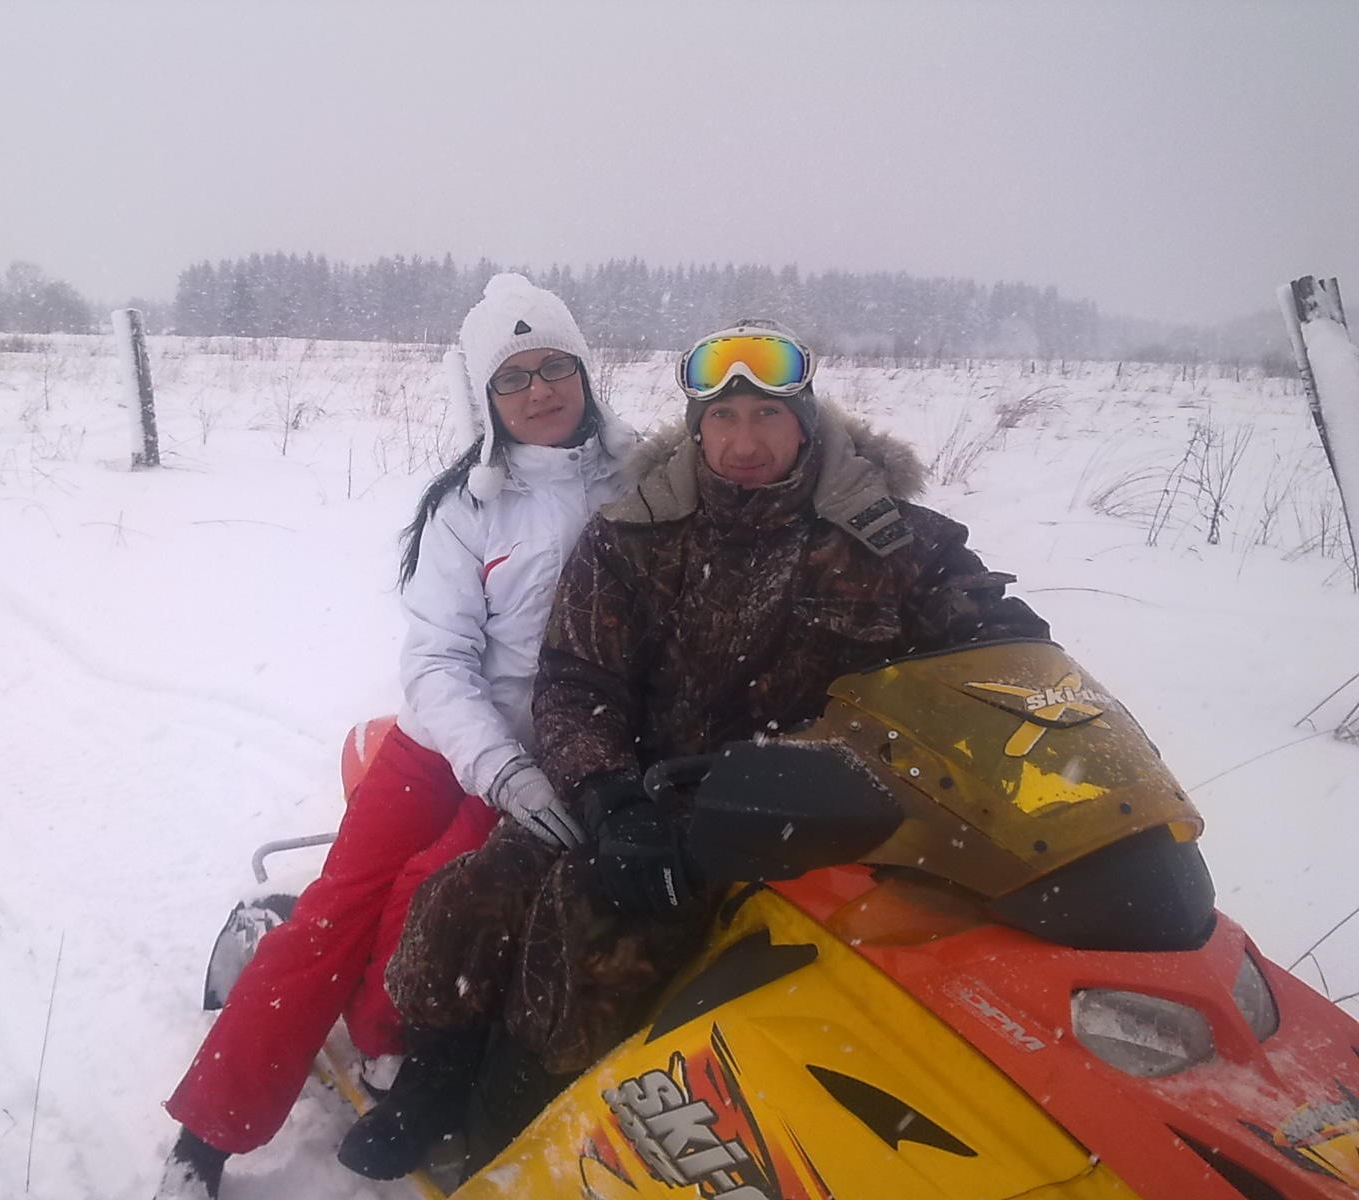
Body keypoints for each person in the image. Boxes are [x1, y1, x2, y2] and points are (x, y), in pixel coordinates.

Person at [340, 319, 1050, 1180]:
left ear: (806, 423)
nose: (744, 445)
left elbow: (989, 649)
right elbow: (576, 680)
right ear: (696, 428)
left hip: (814, 817)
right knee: (474, 890)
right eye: (723, 419)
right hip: (643, 789)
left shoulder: (898, 542)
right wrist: (609, 793)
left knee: (590, 935)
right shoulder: (634, 532)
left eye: (767, 417)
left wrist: (1017, 660)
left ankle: (513, 1120)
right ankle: (439, 1072)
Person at [154, 274, 638, 1200]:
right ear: (485, 398)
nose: (539, 391)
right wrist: (499, 768)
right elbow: (438, 661)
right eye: (513, 377)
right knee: (332, 912)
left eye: (554, 367)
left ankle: (389, 1048)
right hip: (447, 746)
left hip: (561, 754)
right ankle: (205, 1137)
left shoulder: (642, 484)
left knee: (431, 892)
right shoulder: (467, 507)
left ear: (585, 372)